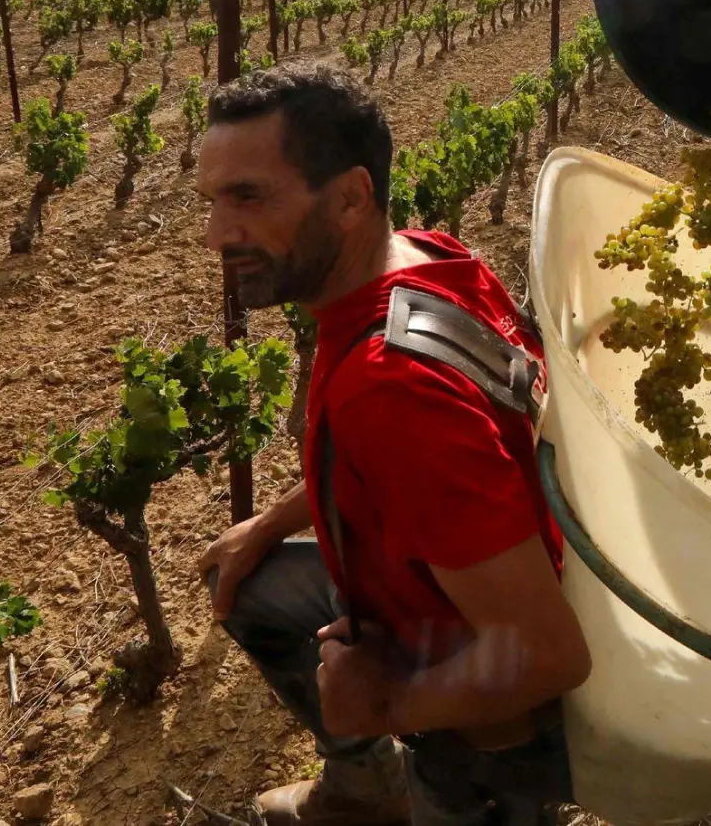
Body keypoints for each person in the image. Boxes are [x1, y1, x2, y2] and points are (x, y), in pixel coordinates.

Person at [194, 62, 592, 826]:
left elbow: (548, 657)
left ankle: (438, 787)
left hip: (498, 719)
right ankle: (364, 787)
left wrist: (382, 704)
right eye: (212, 201)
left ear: (349, 197)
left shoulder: (390, 390)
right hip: (451, 581)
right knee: (251, 587)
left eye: (249, 197)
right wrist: (268, 527)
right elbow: (386, 465)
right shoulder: (429, 257)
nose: (217, 235)